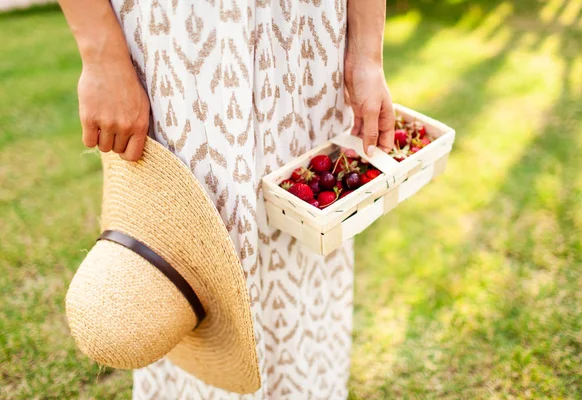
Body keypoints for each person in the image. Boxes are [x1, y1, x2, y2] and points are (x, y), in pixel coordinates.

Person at [58, 0, 394, 398]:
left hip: (304, 42)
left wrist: (367, 55)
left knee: (304, 255)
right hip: (180, 43)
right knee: (182, 265)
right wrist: (103, 58)